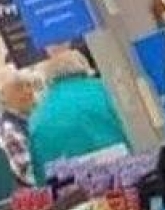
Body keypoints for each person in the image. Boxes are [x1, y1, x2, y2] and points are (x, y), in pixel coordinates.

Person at [29, 50, 130, 184]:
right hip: (125, 174)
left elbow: (41, 173)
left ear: (48, 78)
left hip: (76, 189)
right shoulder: (107, 90)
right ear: (84, 67)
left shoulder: (37, 117)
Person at [0, 70, 39, 188]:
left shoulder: (34, 118)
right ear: (3, 98)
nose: (28, 91)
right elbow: (29, 174)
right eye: (18, 88)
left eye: (29, 85)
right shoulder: (8, 130)